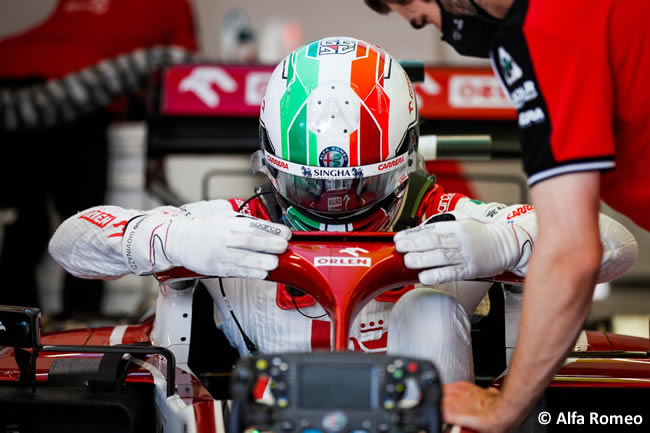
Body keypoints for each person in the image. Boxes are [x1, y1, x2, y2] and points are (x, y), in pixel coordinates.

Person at [48, 37, 636, 392]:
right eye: (311, 185)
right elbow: (69, 241)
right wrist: (168, 237)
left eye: (361, 185)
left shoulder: (450, 221)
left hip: (444, 413)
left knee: (430, 310)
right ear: (269, 162)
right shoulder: (229, 229)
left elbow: (613, 244)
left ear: (406, 158)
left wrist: (506, 242)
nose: (335, 206)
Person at [363, 0, 650, 431]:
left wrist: (503, 410)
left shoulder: (542, 29)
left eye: (426, 19)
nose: (445, 35)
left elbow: (574, 251)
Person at [0, 0, 197, 314]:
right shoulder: (173, 5)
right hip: (77, 102)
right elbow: (182, 70)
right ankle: (79, 321)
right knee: (83, 222)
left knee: (24, 224)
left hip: (15, 79)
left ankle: (17, 329)